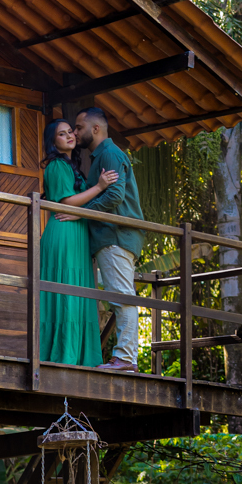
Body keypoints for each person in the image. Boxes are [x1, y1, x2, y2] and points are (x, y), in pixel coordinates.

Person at [39, 119, 118, 368]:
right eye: (61, 135)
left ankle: (82, 356)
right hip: (63, 233)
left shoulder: (72, 166)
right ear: (54, 143)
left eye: (70, 132)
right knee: (66, 291)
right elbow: (66, 202)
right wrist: (100, 187)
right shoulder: (56, 166)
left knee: (80, 291)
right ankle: (64, 355)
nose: (69, 136)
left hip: (77, 234)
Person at [73, 107, 144, 373]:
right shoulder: (102, 155)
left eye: (79, 127)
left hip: (115, 235)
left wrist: (79, 213)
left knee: (122, 296)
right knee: (119, 295)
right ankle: (123, 356)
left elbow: (114, 195)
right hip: (109, 236)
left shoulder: (110, 154)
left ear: (95, 129)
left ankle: (125, 358)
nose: (76, 132)